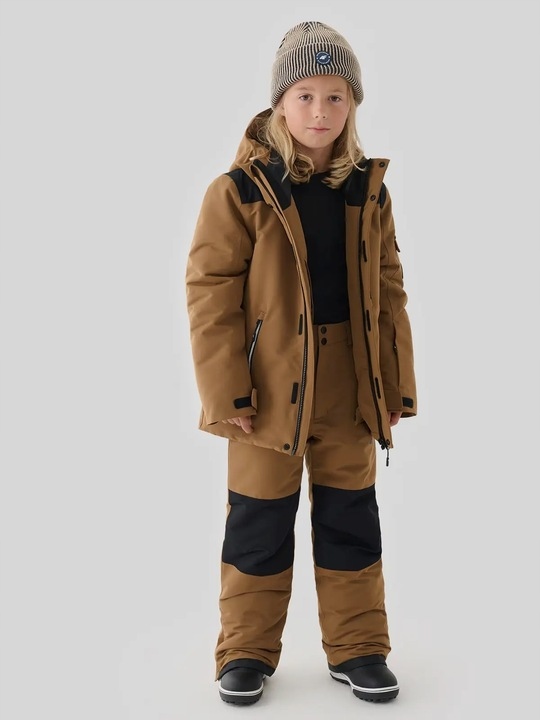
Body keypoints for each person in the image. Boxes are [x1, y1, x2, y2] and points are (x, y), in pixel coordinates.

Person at [185, 20, 417, 706]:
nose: (321, 112)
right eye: (306, 96)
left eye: (336, 97)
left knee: (352, 515)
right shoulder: (240, 191)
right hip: (266, 390)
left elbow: (389, 291)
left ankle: (360, 647)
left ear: (353, 105)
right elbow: (210, 294)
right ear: (281, 103)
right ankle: (246, 651)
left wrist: (394, 386)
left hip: (349, 382)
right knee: (257, 520)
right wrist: (227, 392)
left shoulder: (368, 191)